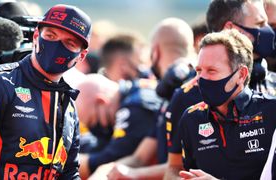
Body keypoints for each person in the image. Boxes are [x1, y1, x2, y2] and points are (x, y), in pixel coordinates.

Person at [0, 4, 91, 179]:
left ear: (81, 56)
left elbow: (69, 172)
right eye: (51, 35)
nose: (57, 46)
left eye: (69, 43)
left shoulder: (68, 104)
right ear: (36, 36)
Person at [87, 17, 196, 180]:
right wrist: (105, 171)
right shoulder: (167, 94)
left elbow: (185, 167)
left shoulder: (188, 93)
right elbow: (139, 157)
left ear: (155, 52)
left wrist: (133, 173)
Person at [179, 29, 276, 179]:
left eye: (211, 71)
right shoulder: (191, 118)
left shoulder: (271, 112)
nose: (201, 79)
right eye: (199, 71)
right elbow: (181, 171)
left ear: (241, 75)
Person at [76, 74, 162, 179]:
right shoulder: (132, 90)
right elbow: (100, 146)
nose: (93, 128)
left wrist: (68, 162)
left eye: (92, 121)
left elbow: (114, 157)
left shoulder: (135, 106)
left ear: (101, 102)